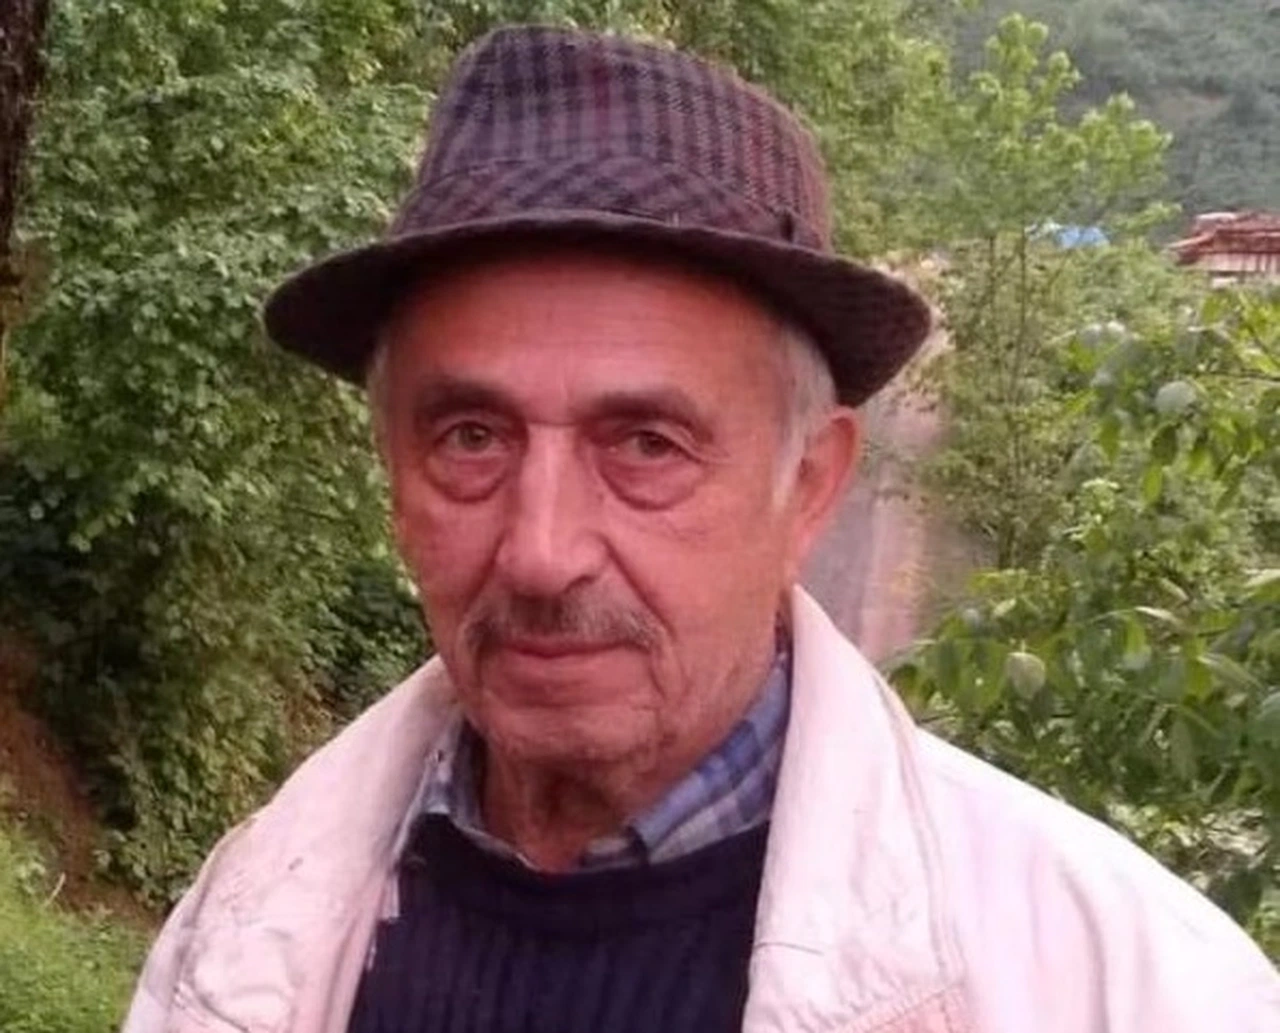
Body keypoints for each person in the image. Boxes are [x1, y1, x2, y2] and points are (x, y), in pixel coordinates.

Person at [122, 25, 1279, 1033]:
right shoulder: (245, 929)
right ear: (392, 470)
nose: (540, 551)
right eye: (469, 437)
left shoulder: (1130, 988)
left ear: (809, 486)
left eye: (645, 445)